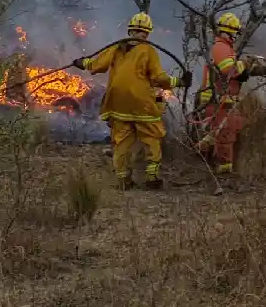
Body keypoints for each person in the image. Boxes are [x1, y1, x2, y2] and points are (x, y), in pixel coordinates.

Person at [73, 12, 190, 190]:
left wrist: (83, 63)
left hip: (117, 102)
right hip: (141, 103)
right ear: (148, 33)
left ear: (130, 30)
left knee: (122, 141)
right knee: (151, 136)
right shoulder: (148, 50)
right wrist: (179, 82)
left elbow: (97, 65)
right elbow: (158, 78)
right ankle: (152, 178)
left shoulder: (116, 47)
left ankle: (124, 180)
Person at [194, 12, 250, 180]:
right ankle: (224, 172)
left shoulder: (225, 48)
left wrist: (246, 71)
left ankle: (200, 151)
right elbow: (227, 69)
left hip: (222, 100)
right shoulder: (221, 48)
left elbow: (230, 71)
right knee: (225, 134)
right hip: (217, 99)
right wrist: (244, 66)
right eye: (234, 33)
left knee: (222, 131)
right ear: (229, 32)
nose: (235, 37)